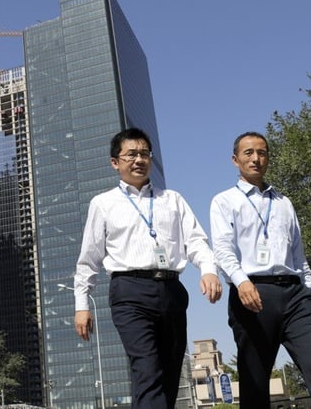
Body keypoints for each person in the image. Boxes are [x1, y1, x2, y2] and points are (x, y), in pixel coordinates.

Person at [74, 127, 222, 409]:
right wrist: (82, 304)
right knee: (147, 368)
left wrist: (208, 269)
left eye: (144, 154)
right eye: (131, 154)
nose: (139, 160)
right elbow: (89, 258)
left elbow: (196, 241)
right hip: (130, 292)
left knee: (168, 373)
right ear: (115, 162)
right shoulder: (103, 204)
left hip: (172, 289)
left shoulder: (172, 200)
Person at [209, 132, 311, 409]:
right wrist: (241, 282)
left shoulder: (284, 202)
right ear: (235, 160)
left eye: (262, 152)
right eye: (248, 153)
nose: (256, 159)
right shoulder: (224, 201)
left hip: (296, 296)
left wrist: (308, 291)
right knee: (255, 382)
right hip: (253, 295)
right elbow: (223, 250)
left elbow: (298, 253)